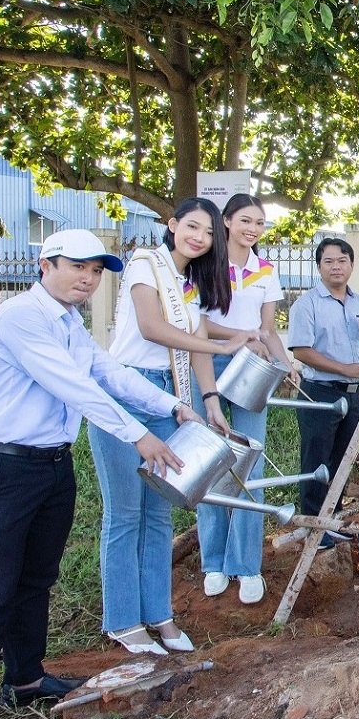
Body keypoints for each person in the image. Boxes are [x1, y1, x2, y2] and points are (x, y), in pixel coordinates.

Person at [0, 230, 195, 719]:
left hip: (51, 468)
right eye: (77, 267)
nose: (88, 278)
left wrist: (174, 407)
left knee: (36, 579)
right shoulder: (21, 317)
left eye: (96, 271)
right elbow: (73, 385)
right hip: (2, 467)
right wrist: (139, 434)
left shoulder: (71, 323)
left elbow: (109, 372)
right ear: (46, 264)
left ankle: (26, 678)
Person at [89, 198, 257, 655]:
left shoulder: (189, 283)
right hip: (124, 392)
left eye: (207, 233)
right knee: (126, 512)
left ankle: (160, 616)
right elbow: (150, 327)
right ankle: (124, 621)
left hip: (169, 395)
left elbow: (197, 342)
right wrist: (225, 346)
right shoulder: (145, 264)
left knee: (159, 511)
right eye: (192, 227)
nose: (199, 237)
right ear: (172, 225)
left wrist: (211, 402)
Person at [195, 194, 296, 604]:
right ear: (226, 221)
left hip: (253, 369)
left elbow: (267, 329)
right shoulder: (204, 266)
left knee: (251, 461)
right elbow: (197, 324)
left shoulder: (265, 270)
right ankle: (214, 562)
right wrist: (236, 339)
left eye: (260, 222)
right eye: (245, 220)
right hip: (210, 367)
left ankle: (246, 566)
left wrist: (286, 362)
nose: (253, 228)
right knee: (211, 462)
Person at [286, 237, 359, 550]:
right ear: (319, 266)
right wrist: (345, 369)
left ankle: (333, 516)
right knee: (317, 459)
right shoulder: (307, 304)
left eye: (342, 260)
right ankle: (314, 524)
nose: (336, 267)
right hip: (320, 392)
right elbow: (301, 350)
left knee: (343, 457)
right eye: (329, 261)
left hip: (354, 395)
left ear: (351, 265)